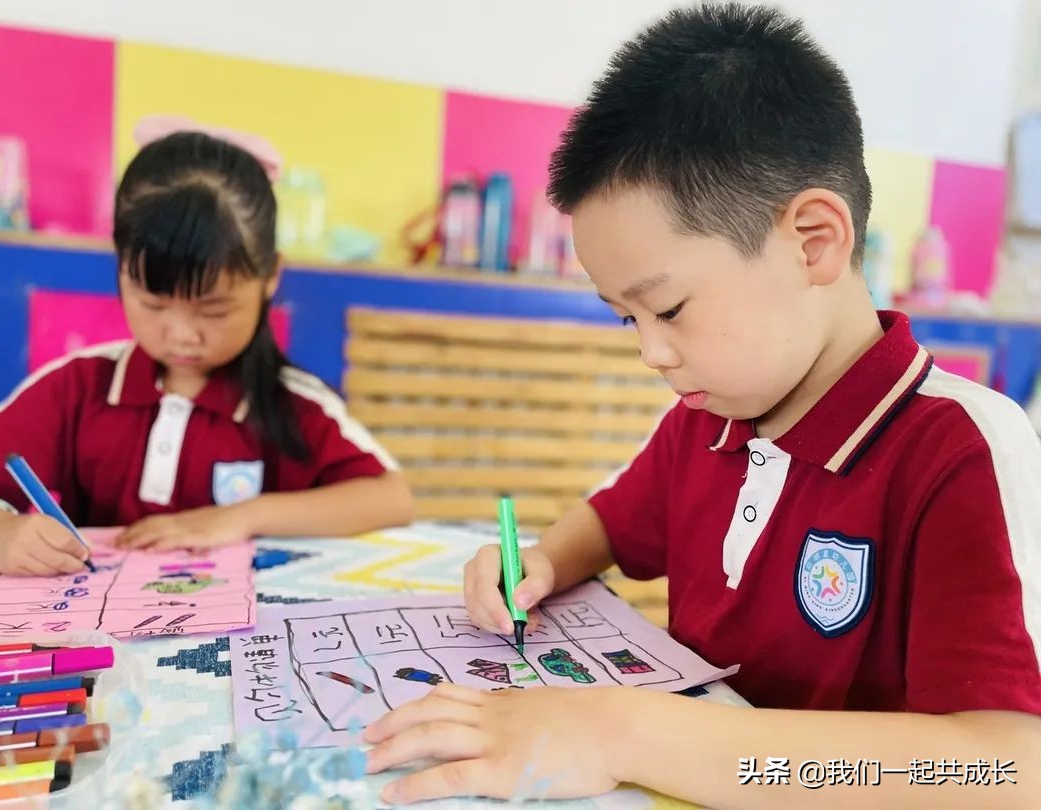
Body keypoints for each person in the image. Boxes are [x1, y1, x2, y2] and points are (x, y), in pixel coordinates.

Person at [363, 4, 1041, 806]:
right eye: (629, 319)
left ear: (814, 241)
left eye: (671, 309)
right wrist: (546, 559)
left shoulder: (960, 448)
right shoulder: (708, 420)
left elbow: (1005, 766)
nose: (651, 351)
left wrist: (621, 730)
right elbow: (616, 522)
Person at [0, 129, 413, 575]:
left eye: (213, 310)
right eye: (153, 304)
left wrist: (240, 517)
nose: (181, 335)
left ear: (271, 275)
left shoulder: (295, 405)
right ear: (121, 270)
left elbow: (390, 498)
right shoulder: (78, 387)